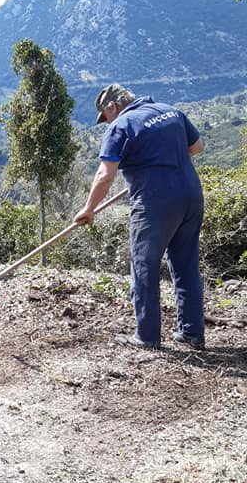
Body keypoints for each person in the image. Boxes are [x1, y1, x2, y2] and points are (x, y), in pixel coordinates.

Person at [74, 83, 205, 350]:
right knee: (186, 263)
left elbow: (105, 175)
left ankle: (146, 336)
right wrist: (159, 163)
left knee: (145, 266)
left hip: (155, 202)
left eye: (105, 115)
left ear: (112, 106)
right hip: (191, 194)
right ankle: (191, 333)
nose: (106, 121)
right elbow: (197, 147)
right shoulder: (171, 112)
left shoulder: (121, 126)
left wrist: (88, 209)